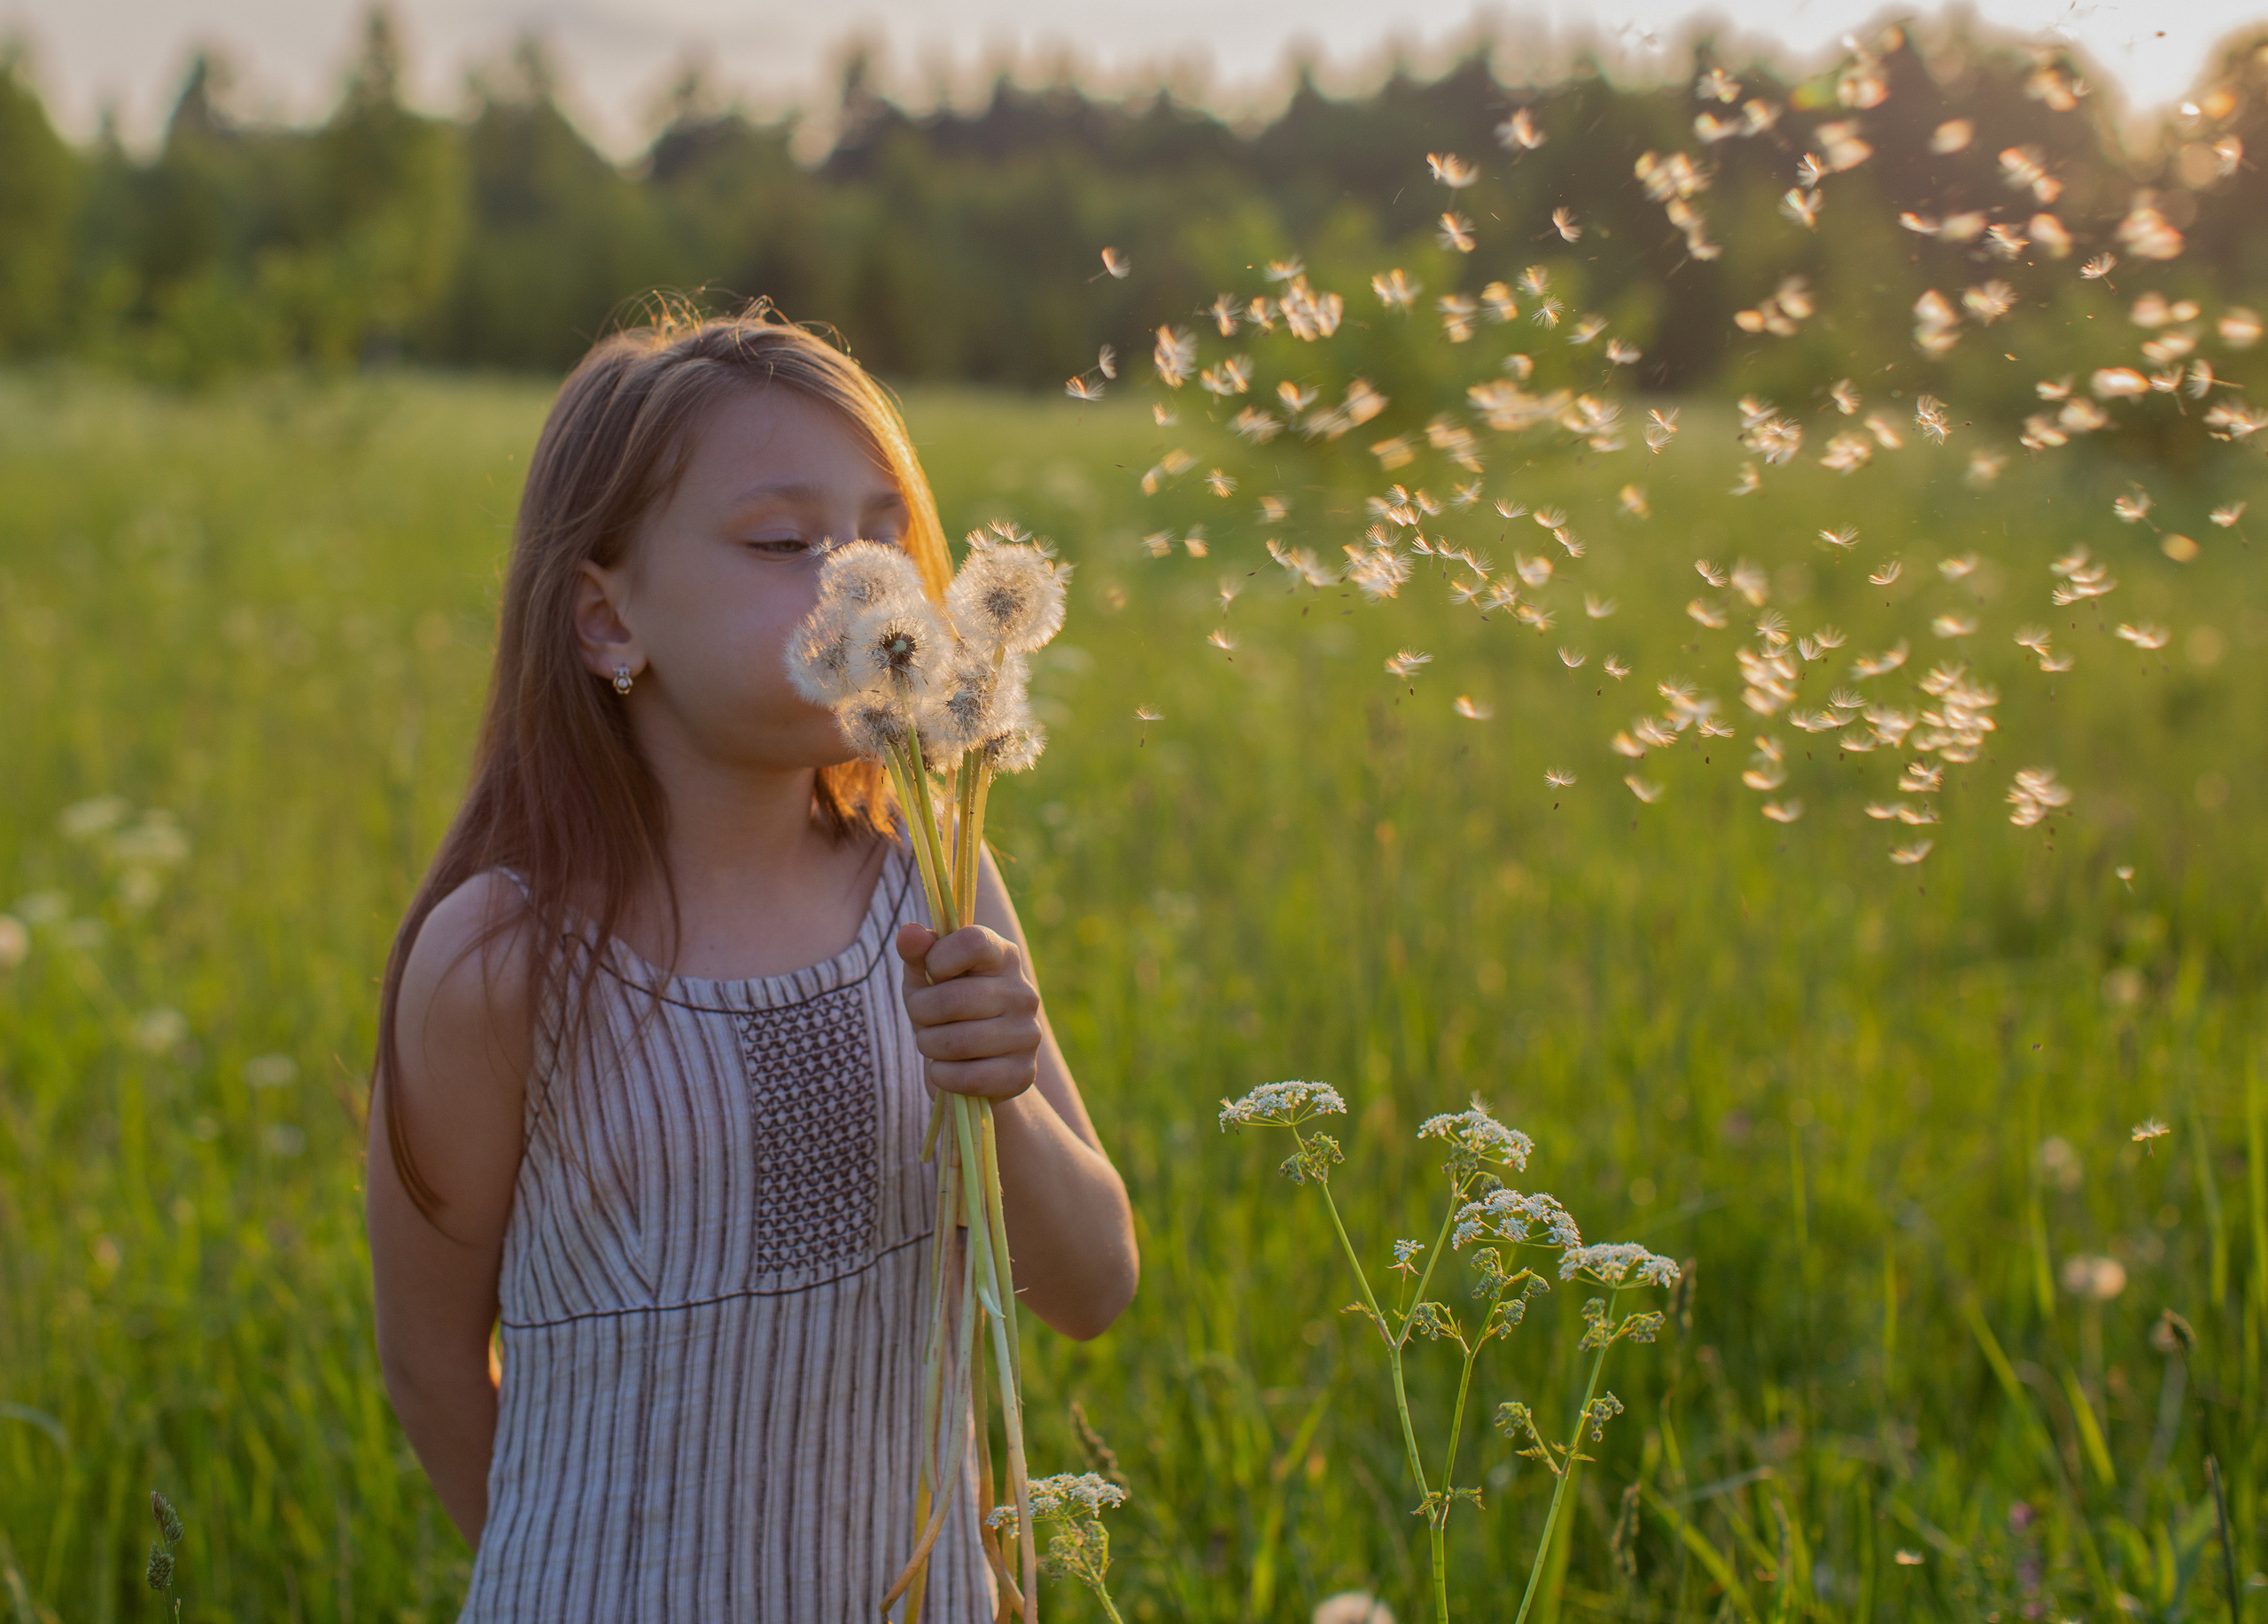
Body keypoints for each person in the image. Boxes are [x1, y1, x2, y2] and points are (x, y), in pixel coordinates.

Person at [364, 306, 1138, 1620]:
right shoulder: (501, 962)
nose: (866, 585)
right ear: (607, 620)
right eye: (785, 543)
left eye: (887, 536)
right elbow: (430, 1362)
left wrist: (1001, 1091)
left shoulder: (936, 883)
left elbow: (1093, 1285)